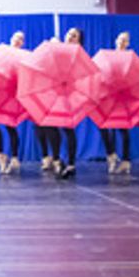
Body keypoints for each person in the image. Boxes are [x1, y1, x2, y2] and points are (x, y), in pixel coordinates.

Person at [0, 31, 25, 175]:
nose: (17, 40)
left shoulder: (24, 57)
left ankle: (15, 158)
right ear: (11, 39)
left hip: (13, 95)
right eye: (16, 37)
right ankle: (1, 155)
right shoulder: (2, 53)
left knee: (10, 126)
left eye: (21, 39)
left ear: (23, 43)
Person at [51, 27, 84, 180]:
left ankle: (71, 164)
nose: (71, 37)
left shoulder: (79, 54)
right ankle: (57, 160)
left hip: (71, 94)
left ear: (79, 40)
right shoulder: (58, 51)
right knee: (52, 126)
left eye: (74, 35)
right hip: (56, 92)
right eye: (69, 34)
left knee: (68, 129)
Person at [101, 32, 135, 175]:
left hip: (124, 97)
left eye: (125, 40)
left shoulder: (131, 57)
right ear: (116, 40)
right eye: (120, 39)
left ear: (128, 43)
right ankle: (111, 154)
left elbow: (134, 77)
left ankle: (126, 161)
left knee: (123, 129)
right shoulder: (108, 56)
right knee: (103, 125)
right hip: (109, 96)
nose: (122, 42)